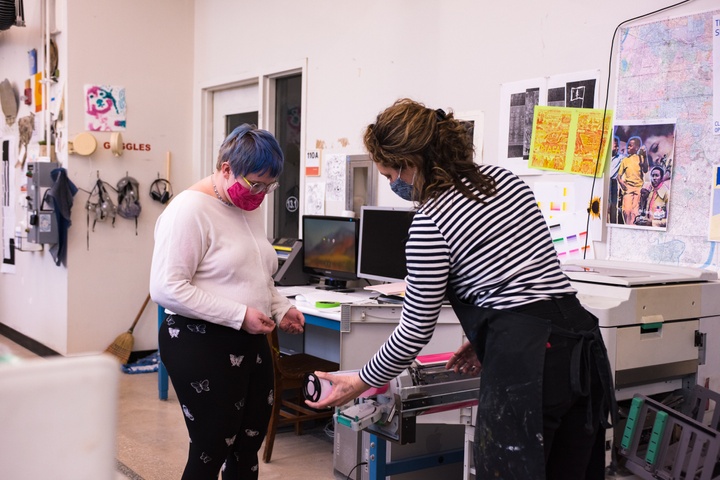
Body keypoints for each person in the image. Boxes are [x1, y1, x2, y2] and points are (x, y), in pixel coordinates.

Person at [306, 99, 616, 480]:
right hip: (581, 346)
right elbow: (520, 277)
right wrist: (487, 338)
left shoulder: (430, 222)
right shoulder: (507, 182)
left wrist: (359, 381)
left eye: (390, 176)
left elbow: (414, 330)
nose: (392, 186)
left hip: (530, 362)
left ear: (410, 163)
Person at [150, 124, 305, 480]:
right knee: (211, 447)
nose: (262, 193)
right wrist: (239, 315)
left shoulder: (246, 204)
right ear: (225, 169)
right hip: (198, 341)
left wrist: (281, 308)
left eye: (270, 185)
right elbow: (166, 287)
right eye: (256, 183)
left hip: (249, 340)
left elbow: (257, 275)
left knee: (248, 445)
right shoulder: (187, 210)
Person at [616, 136, 648, 226]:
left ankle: (632, 227)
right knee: (626, 210)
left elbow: (645, 170)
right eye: (628, 146)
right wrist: (621, 183)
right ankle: (628, 225)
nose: (628, 147)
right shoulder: (625, 160)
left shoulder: (641, 157)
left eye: (630, 146)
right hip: (628, 188)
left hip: (638, 188)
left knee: (635, 211)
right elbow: (619, 176)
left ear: (637, 147)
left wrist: (645, 157)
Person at [608, 136, 624, 224]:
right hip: (603, 182)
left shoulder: (620, 158)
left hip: (613, 182)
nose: (617, 148)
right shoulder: (605, 158)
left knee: (613, 205)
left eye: (618, 146)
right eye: (615, 146)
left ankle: (612, 223)